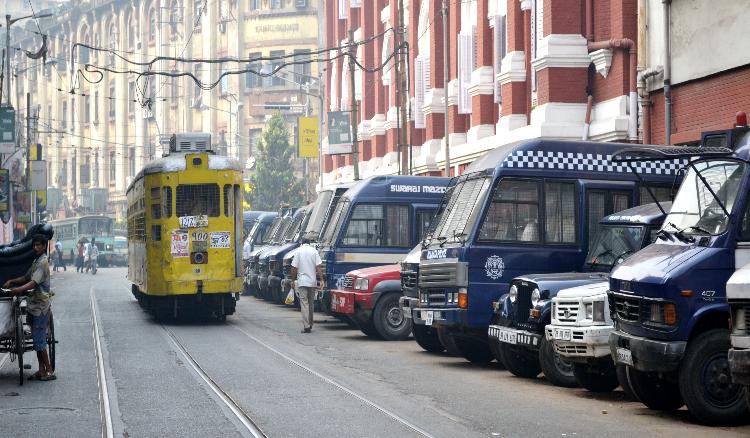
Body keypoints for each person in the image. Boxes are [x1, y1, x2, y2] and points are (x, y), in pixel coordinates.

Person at [2, 234, 55, 381]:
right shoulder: (35, 261)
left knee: (39, 340)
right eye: (35, 245)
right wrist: (12, 281)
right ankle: (41, 370)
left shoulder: (43, 263)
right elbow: (26, 278)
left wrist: (17, 290)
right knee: (37, 340)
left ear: (44, 246)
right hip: (33, 305)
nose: (36, 247)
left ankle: (49, 370)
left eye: (39, 245)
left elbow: (32, 283)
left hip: (40, 307)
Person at [290, 236, 325, 333]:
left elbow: (293, 268)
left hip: (302, 282)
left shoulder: (298, 251)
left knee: (304, 304)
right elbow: (319, 267)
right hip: (312, 282)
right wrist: (322, 279)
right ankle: (311, 324)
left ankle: (306, 326)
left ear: (302, 243)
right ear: (309, 243)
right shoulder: (314, 251)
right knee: (311, 303)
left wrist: (293, 280)